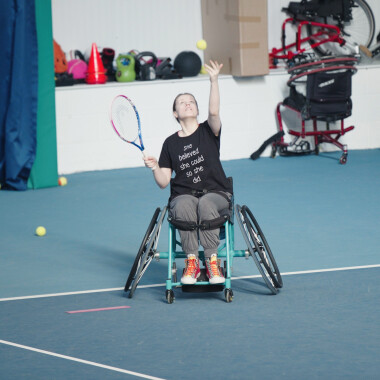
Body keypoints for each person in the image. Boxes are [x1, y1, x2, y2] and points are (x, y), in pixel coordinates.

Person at [143, 60, 233, 285]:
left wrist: (214, 80)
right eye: (182, 103)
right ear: (175, 113)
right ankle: (192, 263)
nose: (188, 104)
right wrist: (154, 167)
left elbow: (214, 110)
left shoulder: (208, 131)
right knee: (183, 205)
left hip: (216, 193)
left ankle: (212, 263)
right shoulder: (170, 143)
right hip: (184, 195)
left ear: (197, 109)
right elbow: (163, 182)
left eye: (191, 101)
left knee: (205, 204)